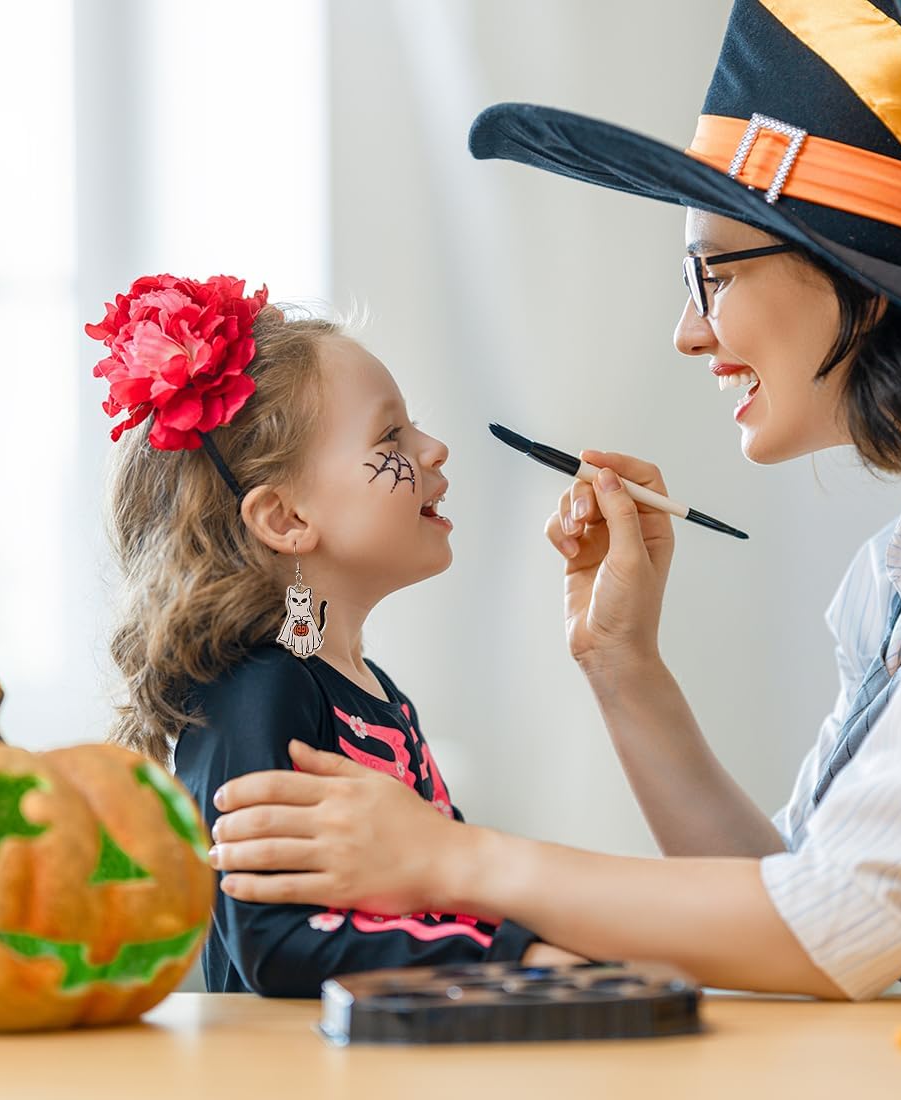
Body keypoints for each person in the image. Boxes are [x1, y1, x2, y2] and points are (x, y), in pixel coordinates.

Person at [206, 1, 901, 1000]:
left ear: (858, 274)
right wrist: (622, 664)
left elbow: (834, 927)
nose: (688, 332)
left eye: (709, 273)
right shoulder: (900, 573)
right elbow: (788, 900)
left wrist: (452, 859)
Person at [89, 274, 577, 996]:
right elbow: (274, 943)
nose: (435, 449)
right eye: (392, 436)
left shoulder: (376, 692)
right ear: (285, 519)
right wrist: (515, 960)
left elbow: (455, 886)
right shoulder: (260, 690)